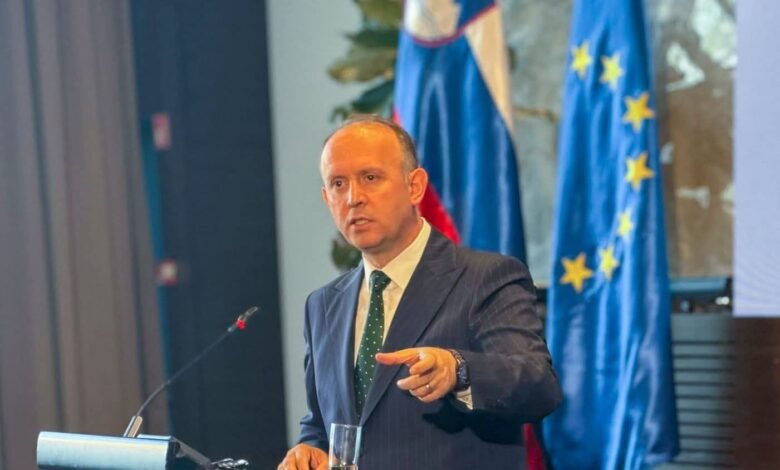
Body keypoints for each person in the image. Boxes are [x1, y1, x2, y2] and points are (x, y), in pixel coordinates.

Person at [277, 115, 562, 470]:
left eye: (370, 177)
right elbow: (321, 422)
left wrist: (458, 370)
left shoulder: (485, 278)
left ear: (415, 186)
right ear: (326, 198)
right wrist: (310, 449)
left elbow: (538, 386)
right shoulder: (322, 305)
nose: (353, 198)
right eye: (338, 184)